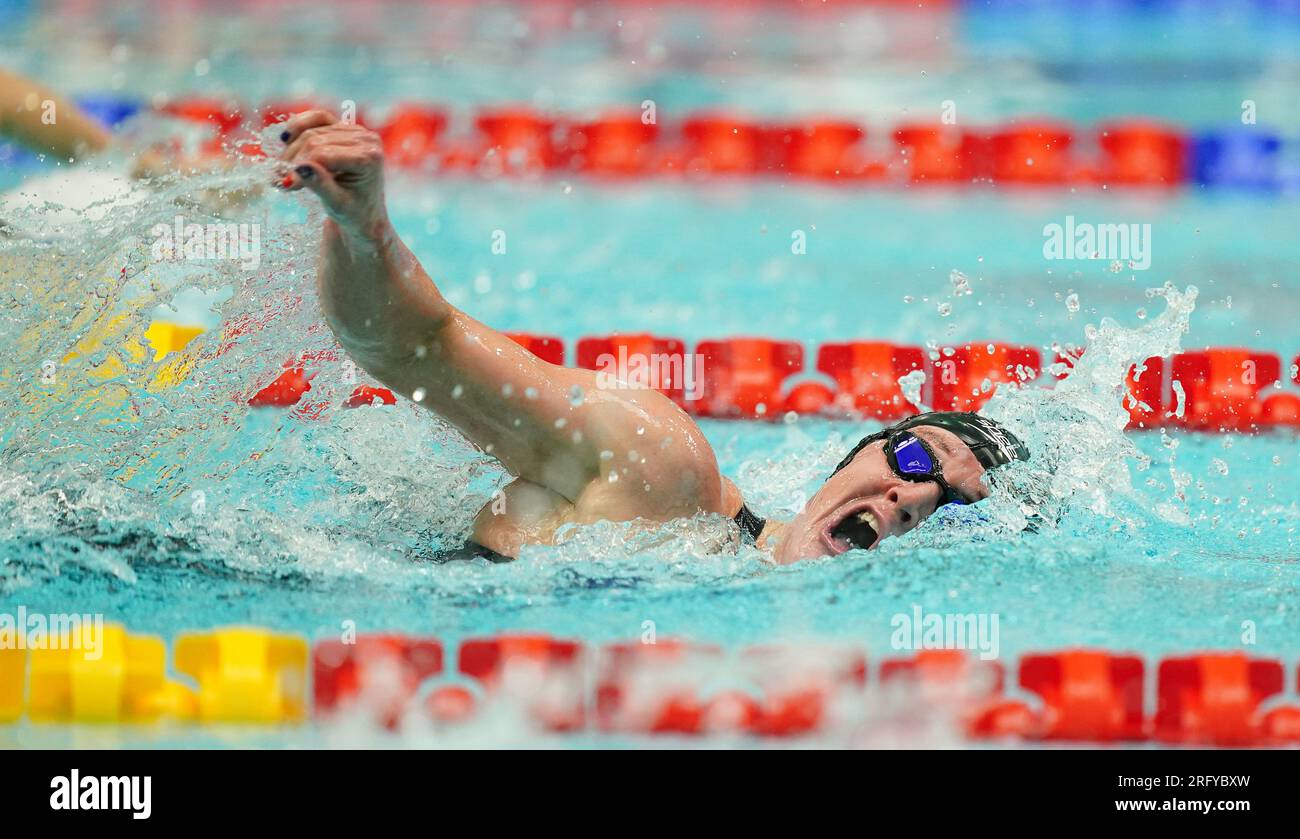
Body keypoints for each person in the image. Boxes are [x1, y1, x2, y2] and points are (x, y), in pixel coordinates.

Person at [275, 109, 1030, 564]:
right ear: (862, 447)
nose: (909, 501)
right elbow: (416, 349)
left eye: (950, 508)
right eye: (914, 458)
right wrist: (364, 228)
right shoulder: (663, 470)